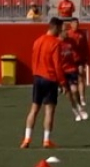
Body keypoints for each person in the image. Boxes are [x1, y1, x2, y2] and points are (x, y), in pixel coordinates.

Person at [21, 18, 67, 149]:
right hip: (50, 78)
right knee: (49, 110)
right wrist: (63, 83)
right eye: (61, 28)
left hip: (37, 78)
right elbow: (57, 65)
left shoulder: (37, 41)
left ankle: (26, 138)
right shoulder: (55, 43)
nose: (61, 30)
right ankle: (46, 140)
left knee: (34, 109)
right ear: (56, 27)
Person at [59, 23, 88, 121]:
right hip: (61, 72)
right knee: (68, 94)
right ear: (59, 31)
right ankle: (75, 110)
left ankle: (80, 107)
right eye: (64, 30)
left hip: (71, 70)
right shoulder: (56, 43)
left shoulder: (71, 41)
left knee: (74, 90)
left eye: (67, 30)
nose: (66, 32)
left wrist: (81, 63)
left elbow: (76, 53)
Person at [67, 18, 90, 107]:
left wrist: (88, 58)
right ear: (71, 24)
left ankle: (82, 97)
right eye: (74, 23)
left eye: (77, 23)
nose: (76, 25)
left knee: (81, 76)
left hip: (80, 59)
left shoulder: (82, 34)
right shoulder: (68, 34)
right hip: (70, 60)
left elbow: (86, 47)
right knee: (72, 80)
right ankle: (74, 97)